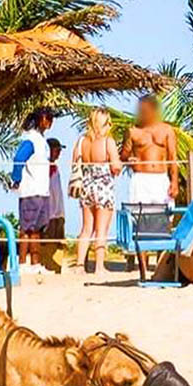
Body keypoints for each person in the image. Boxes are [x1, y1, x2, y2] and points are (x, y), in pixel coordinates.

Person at [73, 108, 122, 273]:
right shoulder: (108, 141)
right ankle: (99, 266)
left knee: (86, 228)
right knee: (102, 229)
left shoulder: (81, 142)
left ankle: (80, 265)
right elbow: (115, 166)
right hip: (103, 186)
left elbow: (75, 164)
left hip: (86, 185)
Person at [10, 107, 55, 270]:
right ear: (41, 119)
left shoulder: (43, 141)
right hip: (30, 191)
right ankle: (21, 264)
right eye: (48, 118)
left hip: (42, 191)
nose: (50, 121)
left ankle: (35, 264)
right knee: (26, 228)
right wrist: (16, 179)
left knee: (37, 229)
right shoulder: (31, 139)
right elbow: (19, 158)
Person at [120, 95, 179, 206]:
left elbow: (172, 157)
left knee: (164, 216)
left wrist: (174, 182)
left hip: (161, 178)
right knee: (139, 215)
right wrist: (128, 158)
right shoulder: (133, 131)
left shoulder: (167, 130)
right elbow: (123, 155)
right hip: (140, 180)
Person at [38, 138, 66, 271]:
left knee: (58, 241)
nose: (59, 153)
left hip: (58, 211)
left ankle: (56, 267)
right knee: (46, 239)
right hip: (48, 211)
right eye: (57, 150)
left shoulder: (55, 167)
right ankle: (46, 264)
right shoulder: (44, 166)